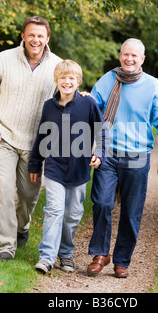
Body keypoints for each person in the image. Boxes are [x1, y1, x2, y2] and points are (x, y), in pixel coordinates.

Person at [0, 16, 62, 261]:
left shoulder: (56, 66)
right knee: (3, 190)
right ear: (23, 36)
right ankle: (6, 244)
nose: (35, 40)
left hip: (36, 144)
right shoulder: (3, 59)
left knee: (28, 194)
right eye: (31, 35)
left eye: (40, 36)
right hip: (3, 137)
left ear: (47, 39)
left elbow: (65, 97)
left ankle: (22, 227)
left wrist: (81, 96)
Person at [86, 38, 158, 278]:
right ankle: (100, 254)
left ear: (142, 59)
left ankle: (122, 260)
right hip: (107, 152)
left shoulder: (153, 86)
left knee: (131, 210)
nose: (129, 59)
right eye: (126, 54)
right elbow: (92, 107)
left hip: (137, 155)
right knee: (102, 202)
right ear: (120, 55)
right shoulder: (108, 79)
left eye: (134, 55)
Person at [28, 60, 106, 274]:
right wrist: (35, 163)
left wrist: (99, 153)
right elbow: (42, 136)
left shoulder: (88, 104)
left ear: (78, 81)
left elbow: (101, 133)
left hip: (79, 171)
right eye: (63, 77)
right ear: (56, 80)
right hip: (55, 169)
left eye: (71, 78)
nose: (67, 81)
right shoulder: (48, 107)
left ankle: (65, 253)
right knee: (53, 210)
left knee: (72, 215)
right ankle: (46, 257)